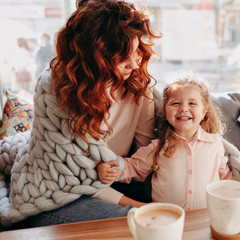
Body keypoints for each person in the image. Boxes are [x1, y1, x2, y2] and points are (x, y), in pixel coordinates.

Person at [0, 0, 161, 227]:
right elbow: (70, 173)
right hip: (53, 192)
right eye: (124, 57)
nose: (134, 64)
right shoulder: (56, 89)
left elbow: (142, 155)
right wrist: (138, 206)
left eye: (136, 52)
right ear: (98, 58)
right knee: (133, 222)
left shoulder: (139, 88)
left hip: (110, 183)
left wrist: (119, 173)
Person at [97, 72, 240, 210]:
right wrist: (110, 169)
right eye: (175, 103)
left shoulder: (214, 144)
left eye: (192, 103)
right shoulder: (157, 147)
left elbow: (227, 175)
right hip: (168, 219)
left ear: (204, 110)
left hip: (207, 217)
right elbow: (132, 167)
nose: (184, 108)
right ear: (165, 110)